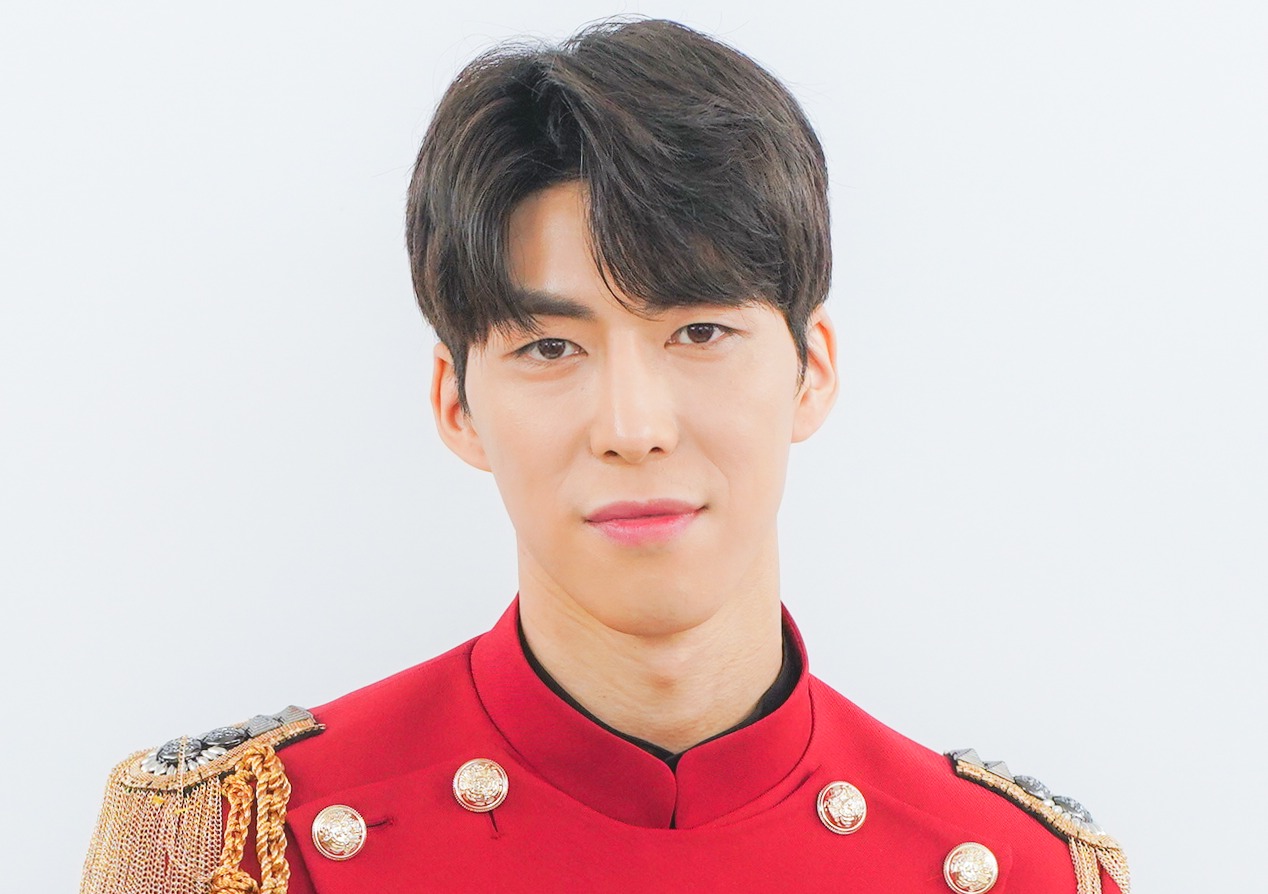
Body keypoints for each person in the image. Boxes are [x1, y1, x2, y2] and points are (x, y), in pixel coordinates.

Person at [80, 17, 1129, 894]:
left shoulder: (1021, 873)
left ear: (811, 370)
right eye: (550, 347)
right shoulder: (231, 849)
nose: (633, 425)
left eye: (699, 332)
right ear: (456, 403)